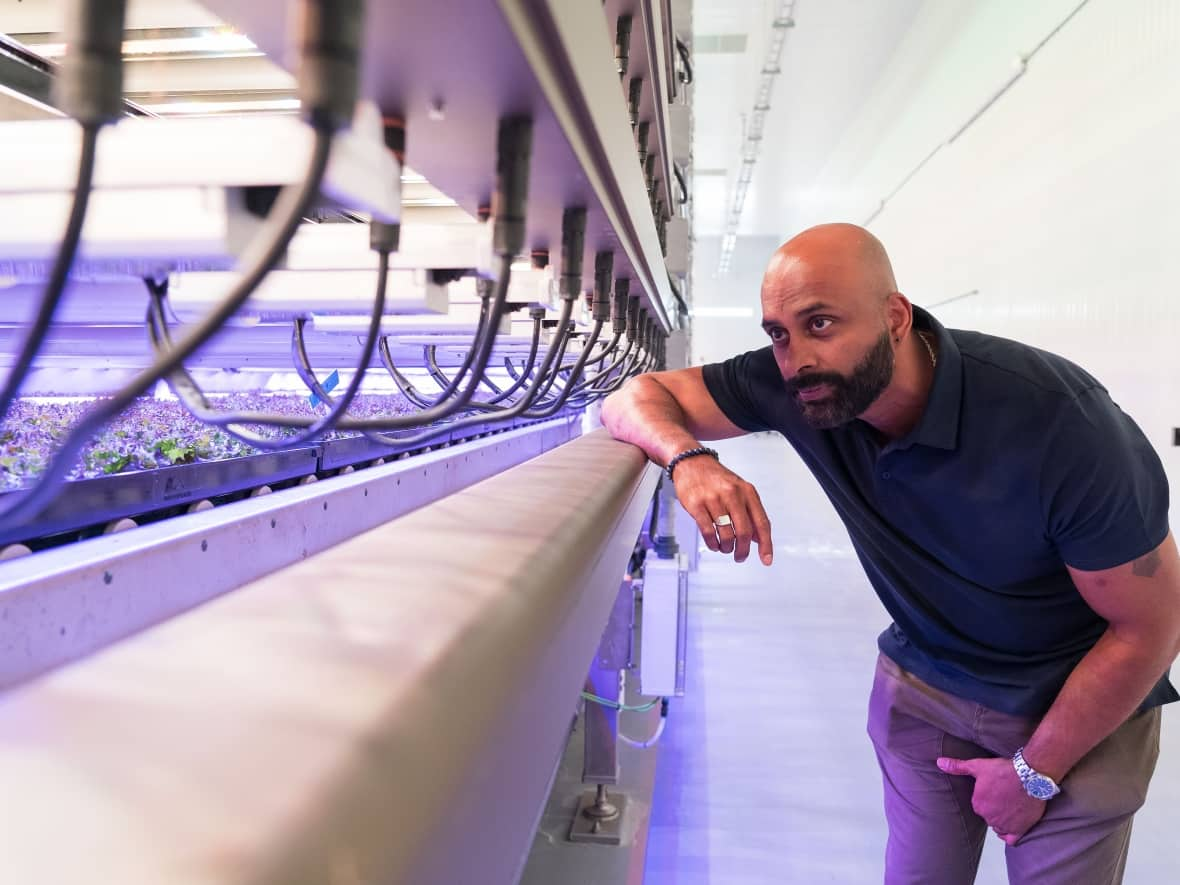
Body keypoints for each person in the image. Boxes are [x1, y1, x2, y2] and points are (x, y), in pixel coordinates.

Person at [601, 223, 1180, 885]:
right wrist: (690, 459)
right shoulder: (802, 387)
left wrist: (1033, 770)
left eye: (821, 323)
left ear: (895, 316)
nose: (796, 358)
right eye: (778, 334)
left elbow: (1153, 625)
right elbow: (631, 396)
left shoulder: (1059, 424)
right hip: (928, 689)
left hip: (1076, 707)